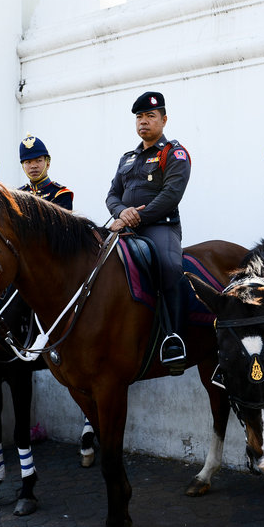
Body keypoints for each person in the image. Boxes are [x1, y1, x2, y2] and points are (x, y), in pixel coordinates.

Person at [106, 91, 191, 372]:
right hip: (124, 226)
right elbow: (112, 195)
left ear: (163, 120)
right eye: (139, 117)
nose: (144, 121)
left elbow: (171, 195)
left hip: (160, 226)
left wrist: (135, 217)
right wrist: (120, 213)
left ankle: (173, 337)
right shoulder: (127, 158)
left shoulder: (174, 153)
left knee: (169, 266)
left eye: (150, 116)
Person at [18, 134, 74, 209]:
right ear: (23, 166)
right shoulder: (18, 195)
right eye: (28, 162)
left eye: (39, 160)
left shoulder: (60, 194)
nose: (33, 166)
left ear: (47, 163)